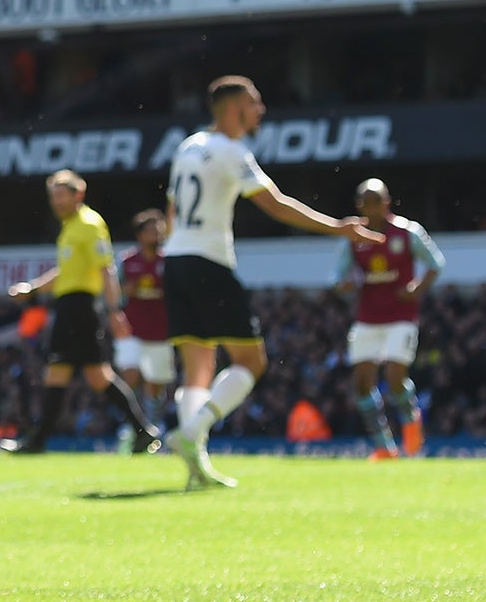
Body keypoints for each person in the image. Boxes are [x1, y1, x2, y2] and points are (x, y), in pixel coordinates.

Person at [162, 76, 382, 489]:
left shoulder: (187, 145)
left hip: (175, 261)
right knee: (251, 362)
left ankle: (195, 466)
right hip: (209, 262)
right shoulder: (231, 152)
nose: (260, 110)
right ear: (233, 108)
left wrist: (175, 249)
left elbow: (171, 208)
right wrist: (339, 228)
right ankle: (195, 430)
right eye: (254, 103)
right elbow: (276, 206)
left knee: (197, 369)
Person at [1, 171, 162, 455]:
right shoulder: (71, 227)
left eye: (61, 195)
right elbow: (66, 272)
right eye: (53, 196)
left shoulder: (89, 224)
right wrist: (34, 289)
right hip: (72, 305)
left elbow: (106, 268)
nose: (56, 202)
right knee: (96, 376)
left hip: (79, 307)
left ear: (79, 194)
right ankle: (142, 431)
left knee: (60, 373)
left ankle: (38, 441)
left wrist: (114, 310)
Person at [333, 178, 444, 460]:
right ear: (360, 206)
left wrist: (417, 288)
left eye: (377, 202)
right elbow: (339, 276)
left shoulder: (408, 232)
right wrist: (344, 285)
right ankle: (384, 446)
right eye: (366, 203)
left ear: (387, 202)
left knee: (395, 376)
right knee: (361, 383)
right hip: (367, 317)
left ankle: (411, 427)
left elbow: (435, 263)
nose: (372, 208)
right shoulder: (354, 236)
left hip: (401, 316)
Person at [113, 209, 176, 422]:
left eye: (159, 231)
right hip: (132, 329)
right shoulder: (127, 261)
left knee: (155, 385)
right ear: (140, 235)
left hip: (161, 330)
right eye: (151, 231)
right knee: (129, 377)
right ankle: (131, 426)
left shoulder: (170, 261)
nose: (156, 235)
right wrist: (125, 292)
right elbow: (115, 291)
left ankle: (152, 426)